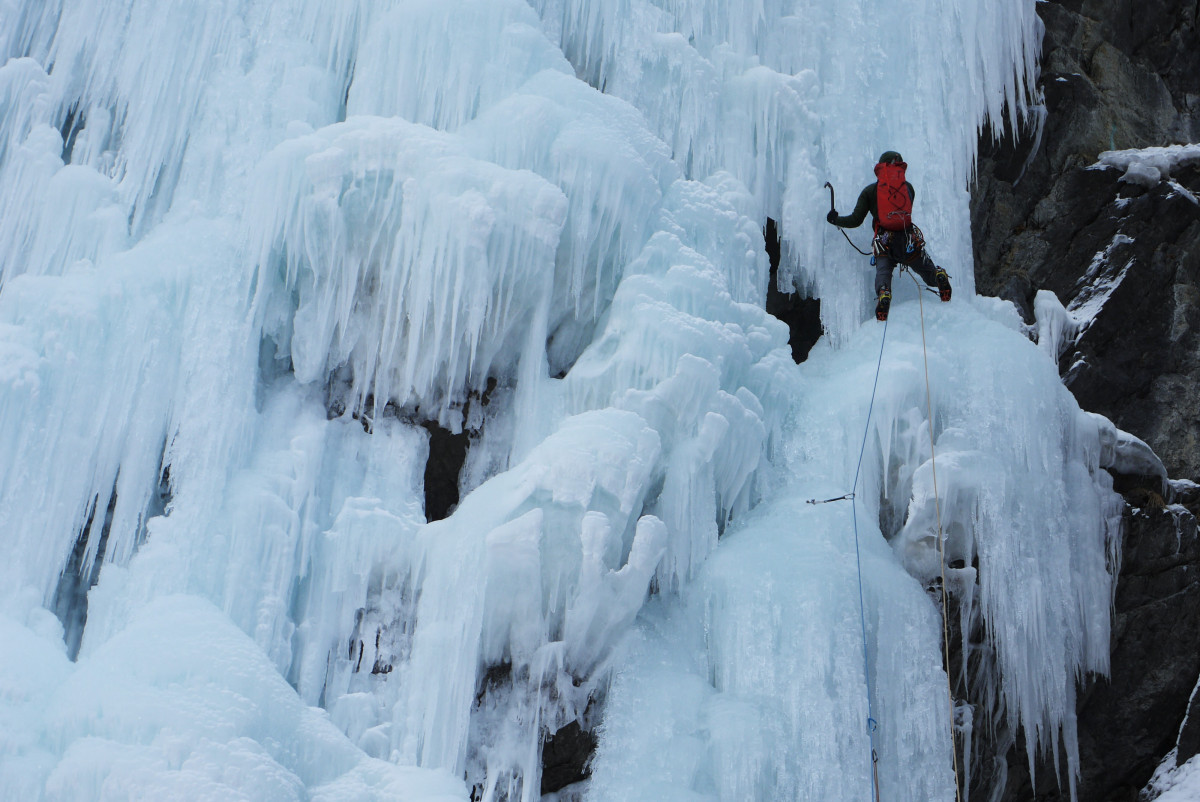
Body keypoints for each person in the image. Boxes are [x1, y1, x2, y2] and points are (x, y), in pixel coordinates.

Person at [825, 151, 951, 321]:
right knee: (926, 270)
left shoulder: (870, 191)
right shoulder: (908, 188)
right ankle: (938, 276)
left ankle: (884, 292)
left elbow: (855, 220)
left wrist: (836, 219)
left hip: (884, 241)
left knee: (883, 271)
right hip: (908, 239)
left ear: (880, 167)